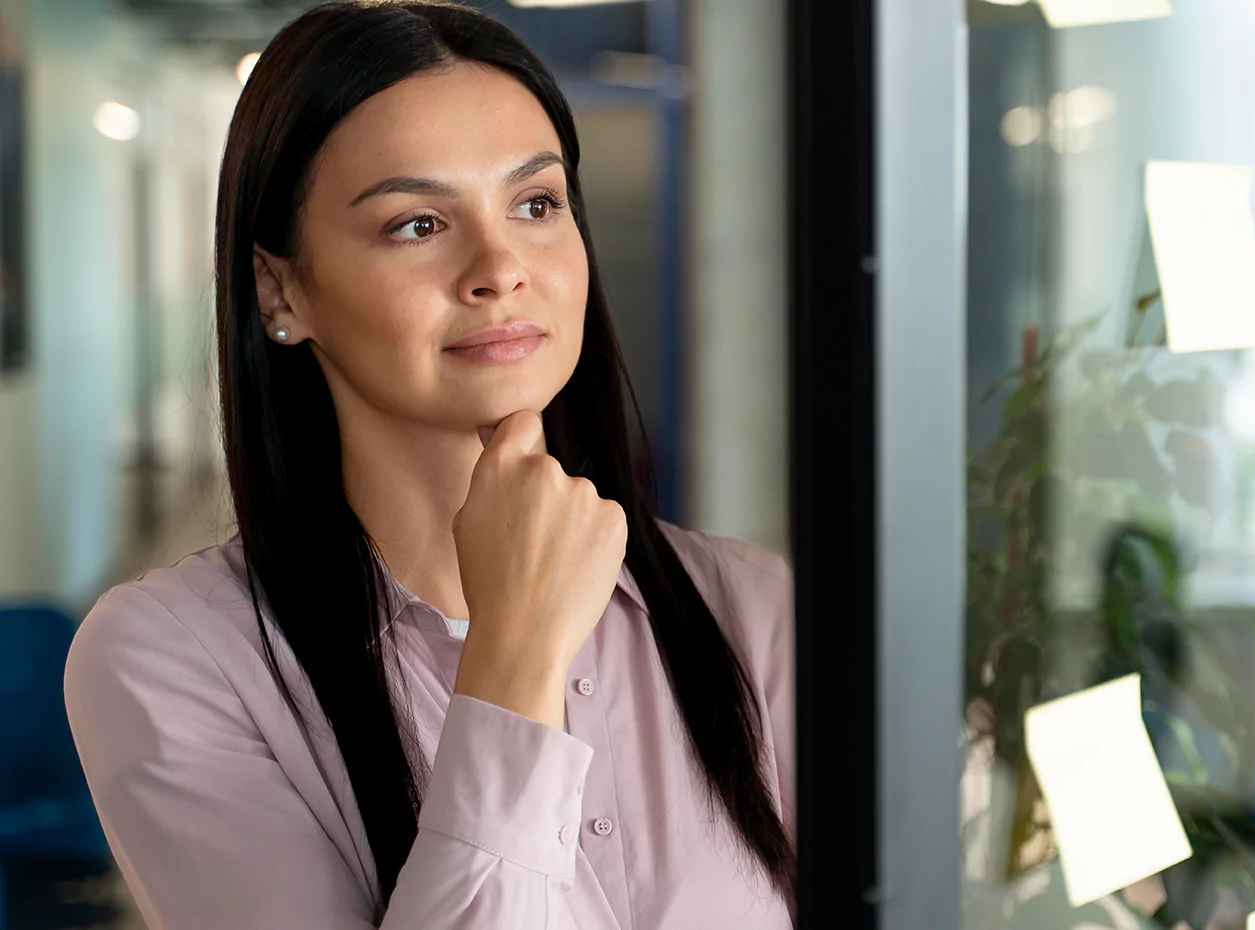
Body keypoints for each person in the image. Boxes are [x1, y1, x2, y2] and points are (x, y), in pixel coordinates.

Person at [61, 3, 794, 927]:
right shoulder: (171, 661)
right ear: (279, 288)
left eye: (536, 204)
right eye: (416, 224)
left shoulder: (751, 613)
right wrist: (514, 657)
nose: (499, 266)